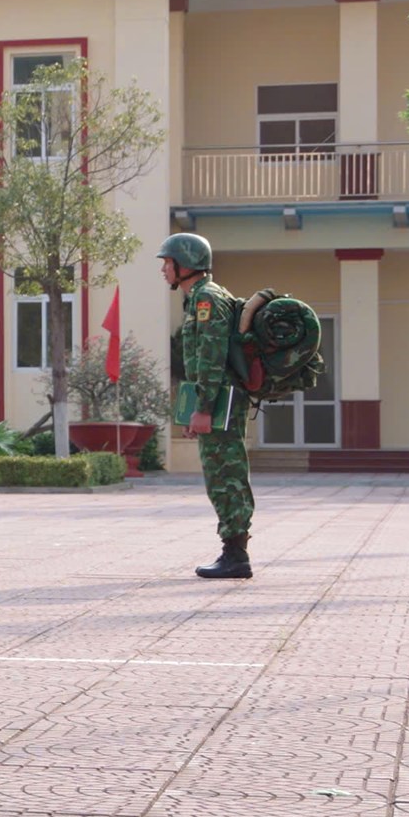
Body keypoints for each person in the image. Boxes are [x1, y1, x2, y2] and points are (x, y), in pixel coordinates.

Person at [160, 232, 255, 580]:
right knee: (219, 474)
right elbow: (199, 363)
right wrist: (193, 412)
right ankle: (233, 551)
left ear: (185, 264)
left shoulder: (207, 300)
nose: (164, 270)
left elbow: (212, 359)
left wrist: (203, 408)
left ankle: (236, 555)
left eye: (167, 263)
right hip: (215, 399)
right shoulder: (198, 299)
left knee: (226, 475)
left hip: (220, 401)